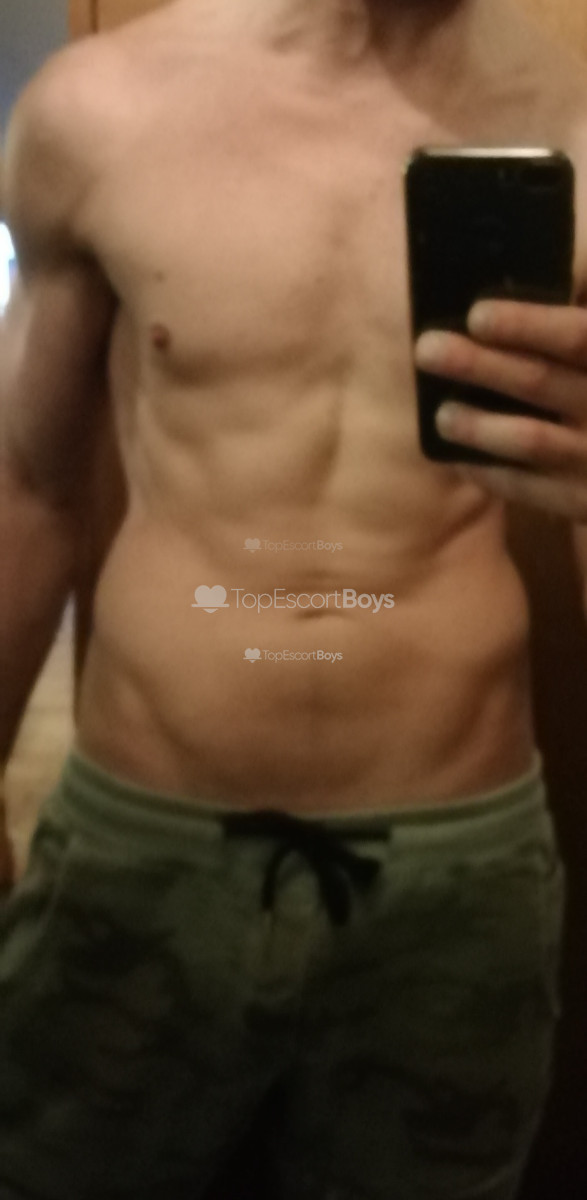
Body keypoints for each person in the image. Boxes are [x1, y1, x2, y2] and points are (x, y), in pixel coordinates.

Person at [1, 0, 586, 1196]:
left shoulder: (576, 123)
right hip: (140, 849)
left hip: (454, 878)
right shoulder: (101, 110)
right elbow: (27, 488)